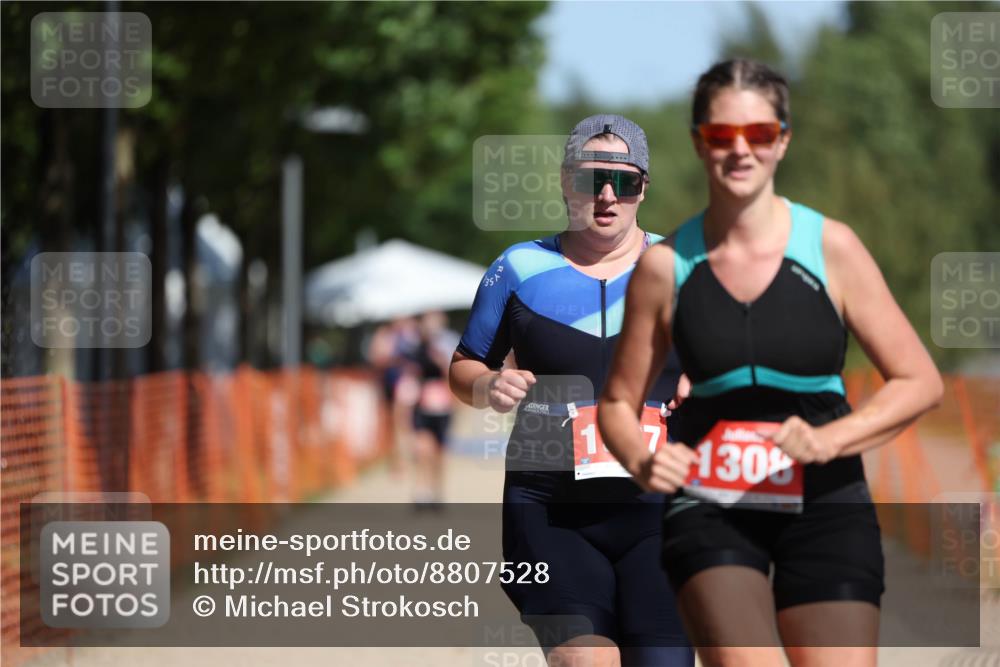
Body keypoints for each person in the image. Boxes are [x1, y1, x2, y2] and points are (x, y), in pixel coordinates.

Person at [597, 59, 944, 667]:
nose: (739, 150)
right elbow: (618, 403)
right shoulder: (664, 267)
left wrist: (830, 438)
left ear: (782, 140)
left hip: (827, 500)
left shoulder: (832, 247)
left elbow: (919, 382)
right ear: (698, 142)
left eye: (758, 134)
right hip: (712, 504)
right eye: (720, 135)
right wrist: (643, 459)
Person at [450, 115, 694, 666]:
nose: (607, 196)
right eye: (590, 179)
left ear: (643, 189)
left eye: (624, 182)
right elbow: (462, 366)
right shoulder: (518, 268)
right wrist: (489, 383)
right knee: (587, 660)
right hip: (548, 510)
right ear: (565, 182)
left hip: (661, 512)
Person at [407, 310, 458, 507]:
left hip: (442, 405)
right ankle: (421, 491)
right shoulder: (416, 346)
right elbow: (410, 373)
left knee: (439, 452)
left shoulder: (448, 344)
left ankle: (437, 491)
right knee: (422, 449)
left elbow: (452, 374)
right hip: (421, 404)